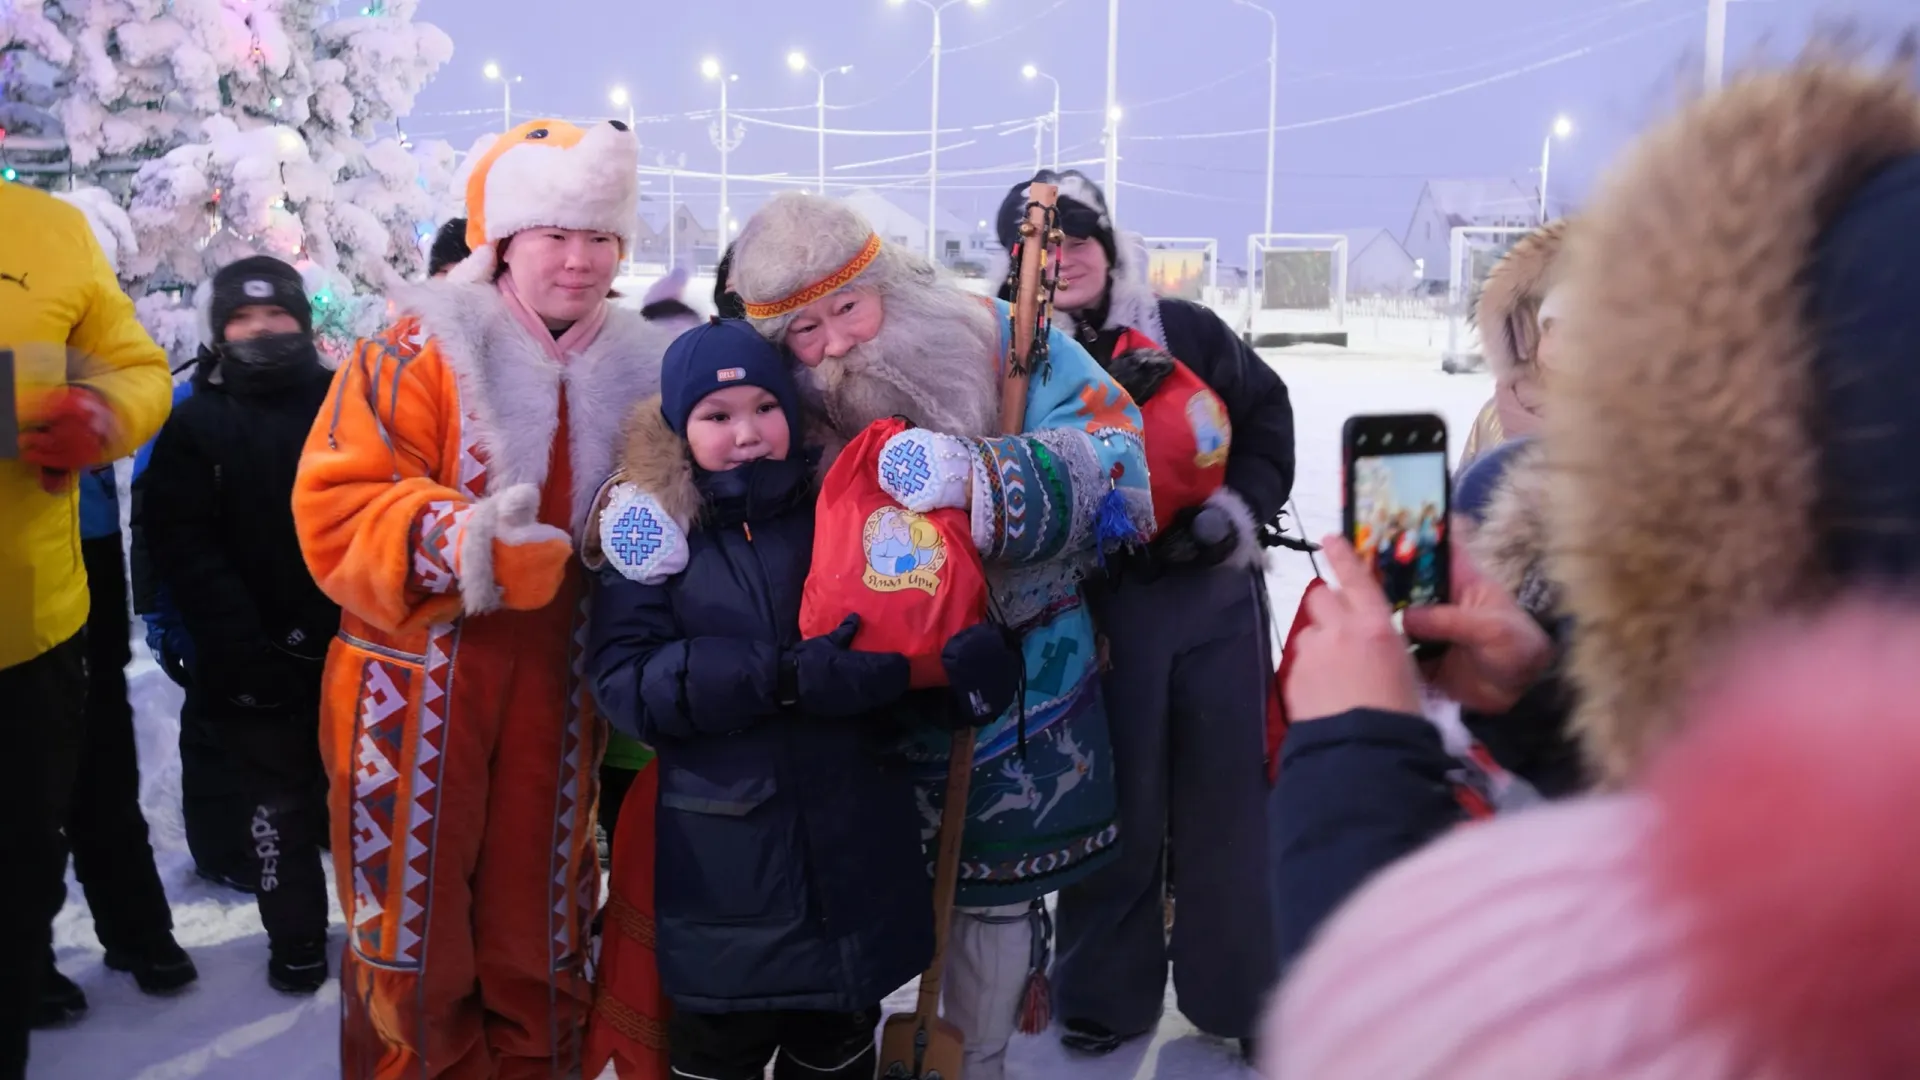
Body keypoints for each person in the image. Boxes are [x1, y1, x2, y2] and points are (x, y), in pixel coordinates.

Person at [1258, 56, 1920, 1077]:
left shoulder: (1733, 983)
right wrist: (1543, 708)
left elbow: (1407, 1025)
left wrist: (1354, 749)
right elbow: (1668, 804)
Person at [726, 192, 1154, 1080]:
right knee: (869, 900)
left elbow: (1123, 457)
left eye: (848, 308)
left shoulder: (1005, 340)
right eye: (805, 332)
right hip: (858, 705)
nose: (836, 343)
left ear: (883, 281)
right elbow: (698, 447)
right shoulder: (775, 399)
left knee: (989, 910)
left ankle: (982, 1059)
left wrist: (985, 476)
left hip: (1017, 687)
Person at [293, 117, 672, 1079]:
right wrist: (464, 543)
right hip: (413, 689)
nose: (580, 261)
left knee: (538, 928)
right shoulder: (420, 345)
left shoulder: (642, 367)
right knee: (411, 943)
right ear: (503, 240)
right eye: (556, 235)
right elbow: (337, 503)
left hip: (559, 689)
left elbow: (671, 498)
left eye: (600, 238)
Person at [583, 318, 1025, 1080]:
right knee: (716, 1056)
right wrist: (776, 676)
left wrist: (955, 678)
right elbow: (629, 684)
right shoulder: (656, 539)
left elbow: (899, 650)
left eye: (764, 408)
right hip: (728, 876)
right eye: (717, 418)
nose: (747, 433)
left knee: (835, 1050)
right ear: (680, 430)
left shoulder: (850, 518)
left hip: (853, 858)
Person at [986, 171, 1296, 1056]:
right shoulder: (1006, 354)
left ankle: (1243, 995)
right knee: (1113, 804)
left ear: (1111, 247)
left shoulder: (1183, 331)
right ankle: (1101, 993)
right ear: (1018, 257)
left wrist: (1232, 512)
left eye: (1085, 238)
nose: (1066, 255)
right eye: (1044, 241)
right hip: (1092, 610)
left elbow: (1267, 418)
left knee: (1227, 804)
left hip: (1209, 599)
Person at [1, 180, 174, 1080]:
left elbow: (138, 368)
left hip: (30, 636)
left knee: (20, 881)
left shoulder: (47, 229)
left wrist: (102, 414)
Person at [137, 255, 339, 993]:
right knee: (277, 812)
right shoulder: (196, 420)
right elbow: (179, 543)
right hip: (246, 658)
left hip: (350, 647)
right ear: (220, 331)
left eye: (277, 315)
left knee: (358, 804)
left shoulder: (345, 404)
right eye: (243, 319)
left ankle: (387, 939)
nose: (261, 330)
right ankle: (296, 944)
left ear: (303, 322)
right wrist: (237, 639)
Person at [1455, 220, 1570, 473]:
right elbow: (1463, 503)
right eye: (1549, 329)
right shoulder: (1494, 417)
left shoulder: (1645, 432)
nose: (1557, 352)